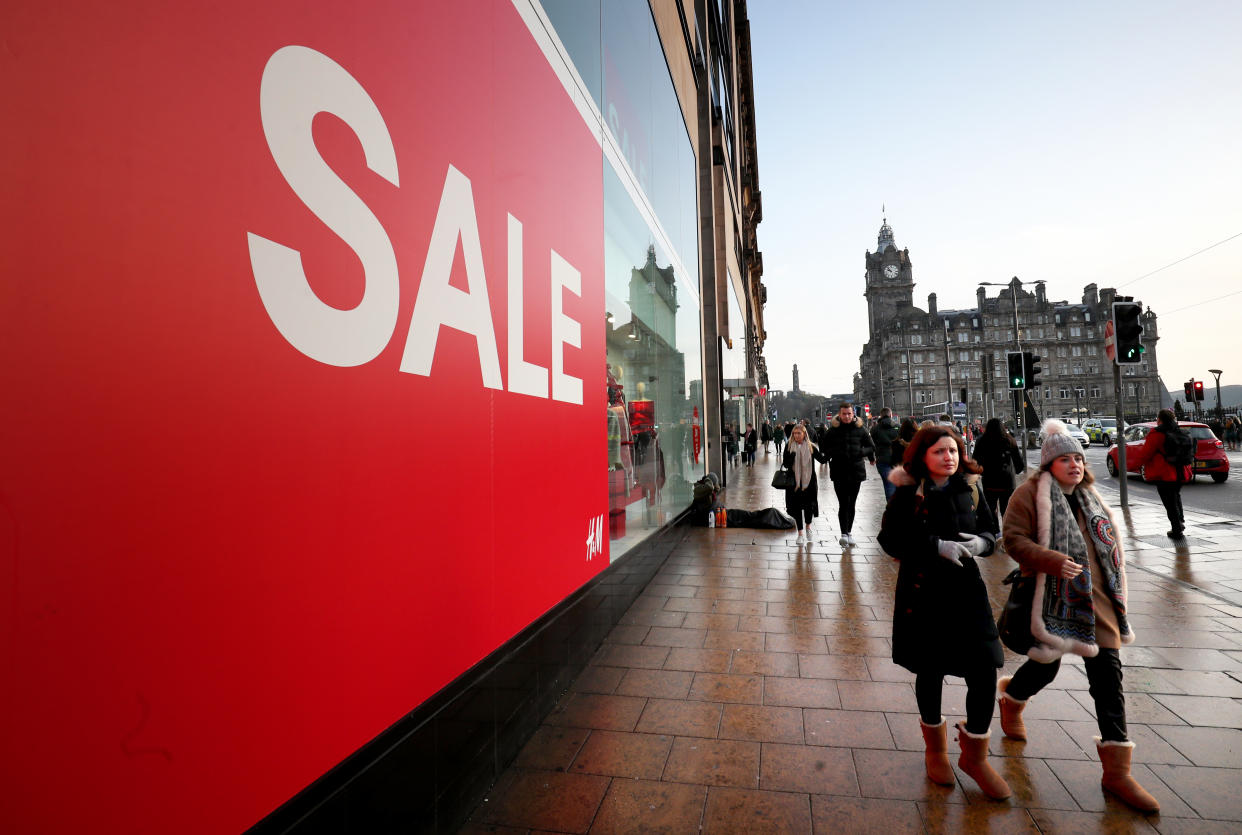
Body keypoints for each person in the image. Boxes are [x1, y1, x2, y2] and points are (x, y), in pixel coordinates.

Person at [1000, 419, 1159, 812]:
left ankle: (1118, 773)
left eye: (1078, 458)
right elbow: (1013, 539)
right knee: (1045, 668)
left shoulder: (1090, 494)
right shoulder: (1028, 494)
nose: (1074, 464)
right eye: (1065, 459)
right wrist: (1051, 560)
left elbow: (1109, 545)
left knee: (1108, 678)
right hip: (1049, 596)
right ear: (1049, 464)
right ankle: (1012, 700)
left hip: (1098, 600)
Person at [879, 425, 1011, 800]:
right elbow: (890, 539)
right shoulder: (909, 492)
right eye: (939, 451)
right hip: (924, 592)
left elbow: (990, 529)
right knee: (930, 669)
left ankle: (975, 756)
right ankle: (935, 750)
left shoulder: (970, 488)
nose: (949, 457)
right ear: (923, 456)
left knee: (985, 669)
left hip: (967, 592)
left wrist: (984, 543)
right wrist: (935, 545)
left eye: (953, 450)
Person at [1128, 409, 1193, 539]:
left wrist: (1132, 465)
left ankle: (1176, 528)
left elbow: (1146, 453)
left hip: (1165, 472)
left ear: (1159, 419)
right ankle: (1180, 521)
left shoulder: (1157, 433)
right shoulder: (1179, 431)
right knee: (1175, 496)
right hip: (1181, 471)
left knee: (1169, 501)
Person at [823, 402, 876, 546]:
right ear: (839, 415)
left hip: (856, 471)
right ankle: (843, 533)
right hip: (839, 471)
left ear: (853, 414)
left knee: (851, 503)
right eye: (844, 414)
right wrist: (830, 454)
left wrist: (862, 453)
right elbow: (824, 447)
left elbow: (871, 446)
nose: (846, 416)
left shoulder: (861, 429)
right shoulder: (832, 430)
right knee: (843, 503)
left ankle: (849, 532)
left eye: (849, 414)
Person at [782, 423, 828, 546]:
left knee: (809, 507)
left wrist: (832, 452)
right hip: (794, 483)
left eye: (799, 433)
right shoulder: (789, 446)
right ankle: (800, 534)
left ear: (804, 434)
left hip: (809, 483)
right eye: (794, 433)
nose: (796, 436)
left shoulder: (811, 446)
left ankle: (808, 527)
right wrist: (791, 457)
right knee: (796, 508)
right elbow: (785, 464)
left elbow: (822, 460)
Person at [972, 417, 1025, 522]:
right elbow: (1019, 463)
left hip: (989, 481)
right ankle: (1006, 530)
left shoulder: (982, 441)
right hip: (1007, 482)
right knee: (1006, 508)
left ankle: (995, 531)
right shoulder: (1010, 440)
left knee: (990, 508)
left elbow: (975, 461)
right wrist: (1015, 471)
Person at [870, 407, 901, 502]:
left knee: (888, 485)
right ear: (891, 415)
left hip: (882, 460)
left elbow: (872, 444)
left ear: (881, 415)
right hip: (897, 460)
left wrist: (872, 457)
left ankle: (891, 509)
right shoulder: (898, 426)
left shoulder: (875, 429)